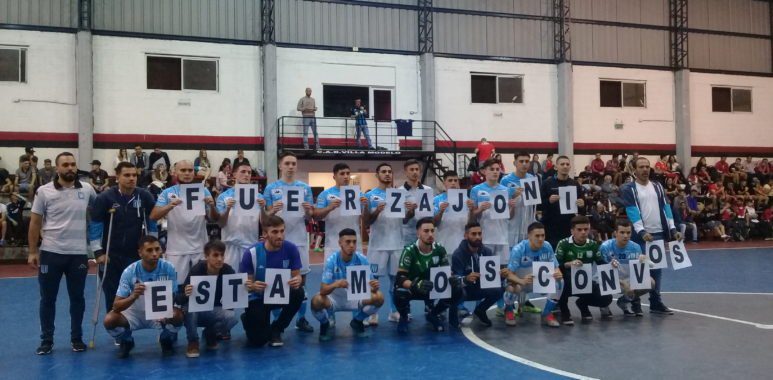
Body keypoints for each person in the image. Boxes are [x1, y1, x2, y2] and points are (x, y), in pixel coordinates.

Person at [28, 152, 98, 355]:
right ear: (57, 168)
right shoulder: (44, 191)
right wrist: (33, 251)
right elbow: (35, 222)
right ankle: (47, 341)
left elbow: (100, 209)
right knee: (48, 299)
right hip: (51, 252)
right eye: (65, 165)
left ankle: (77, 339)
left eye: (73, 164)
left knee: (78, 298)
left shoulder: (86, 189)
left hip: (78, 254)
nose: (70, 168)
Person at [91, 162, 158, 312]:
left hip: (135, 254)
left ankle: (129, 324)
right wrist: (98, 253)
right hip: (111, 255)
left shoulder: (144, 196)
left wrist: (154, 246)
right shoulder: (105, 198)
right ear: (117, 177)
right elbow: (95, 226)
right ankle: (116, 327)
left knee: (134, 292)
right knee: (113, 293)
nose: (131, 178)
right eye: (127, 175)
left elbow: (151, 222)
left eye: (134, 175)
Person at [619, 157, 682, 315]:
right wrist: (641, 232)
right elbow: (632, 211)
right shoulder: (629, 188)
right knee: (639, 269)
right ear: (634, 170)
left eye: (647, 166)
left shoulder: (658, 186)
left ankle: (655, 302)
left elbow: (666, 207)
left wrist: (673, 229)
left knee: (657, 270)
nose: (645, 169)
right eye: (641, 167)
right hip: (640, 237)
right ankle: (635, 302)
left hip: (658, 234)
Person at [103, 235, 182, 358]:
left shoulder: (168, 268)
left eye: (157, 249)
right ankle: (126, 340)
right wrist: (133, 296)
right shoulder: (129, 272)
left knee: (178, 315)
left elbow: (172, 296)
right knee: (109, 320)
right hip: (135, 312)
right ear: (140, 253)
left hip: (158, 312)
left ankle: (166, 338)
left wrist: (164, 313)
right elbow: (116, 306)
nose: (155, 254)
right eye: (149, 250)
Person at [263, 152, 315, 332]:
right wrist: (271, 210)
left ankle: (301, 319)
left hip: (300, 239)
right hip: (277, 241)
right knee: (276, 280)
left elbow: (309, 217)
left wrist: (309, 211)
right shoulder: (270, 188)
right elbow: (265, 218)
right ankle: (279, 321)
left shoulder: (305, 188)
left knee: (301, 281)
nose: (291, 166)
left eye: (294, 163)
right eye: (287, 163)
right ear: (280, 166)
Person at [240, 215, 304, 347]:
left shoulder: (291, 249)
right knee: (258, 342)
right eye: (275, 232)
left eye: (282, 231)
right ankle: (248, 319)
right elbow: (246, 285)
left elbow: (297, 276)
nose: (280, 236)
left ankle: (277, 328)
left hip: (280, 295)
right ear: (265, 233)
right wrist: (253, 286)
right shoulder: (251, 253)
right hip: (258, 298)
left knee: (299, 293)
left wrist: (297, 280)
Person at [150, 160, 218, 285]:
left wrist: (212, 206)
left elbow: (214, 219)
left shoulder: (204, 191)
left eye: (190, 170)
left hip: (200, 247)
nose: (187, 173)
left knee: (201, 287)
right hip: (176, 248)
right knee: (177, 288)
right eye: (183, 170)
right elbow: (153, 216)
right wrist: (169, 206)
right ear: (175, 172)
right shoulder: (167, 192)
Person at [312, 228, 384, 341]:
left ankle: (357, 321)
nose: (352, 245)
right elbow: (323, 290)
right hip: (334, 299)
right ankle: (324, 323)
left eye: (354, 242)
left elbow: (370, 287)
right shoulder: (331, 261)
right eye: (348, 242)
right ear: (340, 243)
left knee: (379, 297)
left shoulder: (363, 259)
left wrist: (374, 287)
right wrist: (336, 284)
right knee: (316, 301)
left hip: (355, 299)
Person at [394, 218, 462, 332]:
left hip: (433, 288)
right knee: (400, 292)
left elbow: (446, 272)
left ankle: (433, 314)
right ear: (418, 233)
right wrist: (414, 285)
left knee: (457, 289)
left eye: (432, 230)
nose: (430, 234)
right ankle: (404, 317)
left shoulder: (440, 249)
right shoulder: (409, 250)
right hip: (415, 288)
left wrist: (452, 278)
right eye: (426, 231)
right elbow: (400, 277)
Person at [180, 240, 239, 358]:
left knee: (231, 317)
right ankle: (193, 342)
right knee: (191, 309)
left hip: (213, 310)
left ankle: (210, 334)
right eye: (215, 255)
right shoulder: (197, 270)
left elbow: (232, 300)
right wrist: (186, 294)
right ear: (206, 256)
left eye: (222, 255)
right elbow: (179, 299)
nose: (220, 259)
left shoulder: (228, 270)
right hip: (195, 312)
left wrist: (245, 288)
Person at [366, 163, 408, 324]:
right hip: (378, 245)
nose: (387, 174)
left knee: (395, 280)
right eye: (383, 172)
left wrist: (409, 210)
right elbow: (367, 221)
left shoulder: (398, 195)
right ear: (377, 175)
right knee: (374, 280)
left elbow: (405, 219)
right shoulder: (370, 196)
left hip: (397, 243)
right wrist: (376, 211)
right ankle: (372, 312)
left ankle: (393, 311)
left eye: (390, 172)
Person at [501, 222, 563, 327]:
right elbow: (509, 274)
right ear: (529, 236)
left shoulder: (547, 246)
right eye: (537, 236)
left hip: (539, 282)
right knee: (512, 287)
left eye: (543, 235)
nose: (540, 239)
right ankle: (509, 310)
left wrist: (558, 274)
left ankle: (547, 313)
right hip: (521, 281)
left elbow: (556, 267)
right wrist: (521, 281)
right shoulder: (518, 249)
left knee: (560, 282)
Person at [555, 216, 613, 325]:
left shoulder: (593, 245)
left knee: (607, 298)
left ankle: (582, 303)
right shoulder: (563, 244)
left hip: (586, 282)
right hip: (567, 281)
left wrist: (612, 265)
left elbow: (601, 263)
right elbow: (556, 265)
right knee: (561, 281)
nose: (583, 232)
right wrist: (569, 264)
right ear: (572, 231)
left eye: (586, 229)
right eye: (579, 229)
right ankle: (564, 310)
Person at [450, 222, 503, 327]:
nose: (477, 237)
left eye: (479, 233)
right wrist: (466, 279)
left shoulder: (487, 252)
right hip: (464, 289)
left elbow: (491, 277)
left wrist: (501, 275)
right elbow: (455, 280)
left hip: (479, 287)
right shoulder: (458, 254)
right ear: (466, 236)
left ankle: (480, 310)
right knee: (457, 290)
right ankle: (452, 316)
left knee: (500, 288)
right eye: (473, 234)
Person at [217, 161, 266, 272]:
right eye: (243, 172)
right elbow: (220, 223)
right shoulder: (223, 196)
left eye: (249, 172)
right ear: (234, 174)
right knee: (230, 282)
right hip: (230, 246)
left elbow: (265, 224)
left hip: (251, 245)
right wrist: (228, 209)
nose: (247, 175)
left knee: (249, 282)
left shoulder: (259, 196)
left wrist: (263, 209)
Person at [599, 220, 654, 317]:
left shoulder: (636, 247)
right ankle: (604, 304)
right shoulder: (605, 247)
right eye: (622, 232)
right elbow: (604, 272)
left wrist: (644, 260)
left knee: (651, 282)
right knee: (598, 283)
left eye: (628, 233)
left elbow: (641, 271)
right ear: (615, 233)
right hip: (610, 279)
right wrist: (622, 283)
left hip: (627, 280)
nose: (625, 235)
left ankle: (624, 301)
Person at [314, 163, 369, 260]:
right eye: (342, 174)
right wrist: (329, 208)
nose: (346, 176)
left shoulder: (358, 194)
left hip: (354, 242)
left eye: (348, 173)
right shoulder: (325, 194)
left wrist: (366, 206)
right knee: (334, 273)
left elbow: (365, 219)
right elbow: (316, 216)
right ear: (334, 176)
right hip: (333, 243)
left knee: (354, 272)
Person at [470, 158, 517, 263]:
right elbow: (472, 216)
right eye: (492, 169)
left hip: (503, 236)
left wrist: (513, 207)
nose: (495, 172)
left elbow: (510, 216)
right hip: (485, 237)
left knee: (503, 270)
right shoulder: (476, 190)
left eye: (497, 169)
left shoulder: (506, 190)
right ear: (484, 171)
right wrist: (480, 209)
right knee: (486, 270)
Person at [539, 155, 585, 248]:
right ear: (556, 167)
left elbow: (582, 210)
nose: (565, 166)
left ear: (570, 167)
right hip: (550, 227)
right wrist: (549, 201)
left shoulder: (575, 184)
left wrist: (582, 204)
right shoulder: (547, 183)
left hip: (568, 226)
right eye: (562, 164)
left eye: (567, 164)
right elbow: (538, 206)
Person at [501, 152, 538, 248]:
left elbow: (534, 204)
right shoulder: (505, 180)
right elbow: (501, 205)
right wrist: (513, 196)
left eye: (527, 161)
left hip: (528, 222)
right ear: (515, 163)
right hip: (512, 223)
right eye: (521, 161)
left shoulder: (532, 179)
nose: (524, 164)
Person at [434, 171, 474, 252]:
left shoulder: (466, 199)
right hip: (444, 244)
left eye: (455, 180)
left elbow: (470, 224)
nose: (453, 183)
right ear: (444, 183)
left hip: (463, 244)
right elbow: (434, 223)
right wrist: (441, 212)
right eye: (450, 180)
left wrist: (472, 210)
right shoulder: (437, 199)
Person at [400, 159, 433, 247]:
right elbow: (399, 221)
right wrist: (409, 213)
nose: (415, 172)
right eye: (411, 170)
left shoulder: (428, 190)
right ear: (406, 172)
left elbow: (430, 216)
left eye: (417, 169)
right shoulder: (399, 192)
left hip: (425, 235)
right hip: (406, 236)